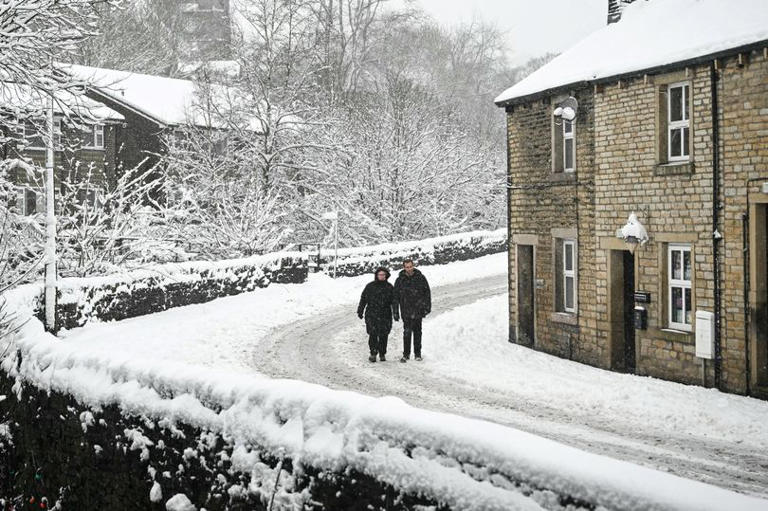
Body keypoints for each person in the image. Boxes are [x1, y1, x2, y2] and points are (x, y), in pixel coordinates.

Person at [357, 266, 399, 362]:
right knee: (373, 334)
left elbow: (394, 302)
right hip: (372, 314)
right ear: (376, 275)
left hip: (385, 314)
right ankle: (373, 352)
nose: (381, 276)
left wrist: (395, 313)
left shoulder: (389, 287)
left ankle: (382, 353)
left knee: (384, 335)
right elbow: (363, 299)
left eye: (383, 274)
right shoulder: (370, 286)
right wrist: (360, 310)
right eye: (379, 274)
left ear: (386, 276)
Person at [393, 259, 431, 363]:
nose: (409, 269)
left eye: (410, 266)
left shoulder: (420, 278)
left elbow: (427, 293)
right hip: (406, 310)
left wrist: (427, 307)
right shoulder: (400, 280)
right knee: (407, 333)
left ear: (413, 266)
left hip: (418, 309)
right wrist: (395, 311)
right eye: (407, 267)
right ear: (404, 267)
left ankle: (417, 354)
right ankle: (406, 354)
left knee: (418, 332)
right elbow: (395, 297)